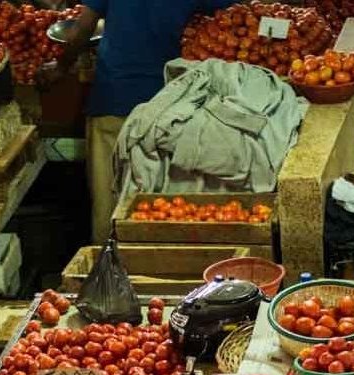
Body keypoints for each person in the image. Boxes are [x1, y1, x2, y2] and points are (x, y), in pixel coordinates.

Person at [38, 0, 237, 245]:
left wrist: (61, 66)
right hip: (163, 107)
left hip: (114, 99)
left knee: (107, 200)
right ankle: (150, 265)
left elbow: (83, 27)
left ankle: (105, 264)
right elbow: (231, 14)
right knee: (156, 201)